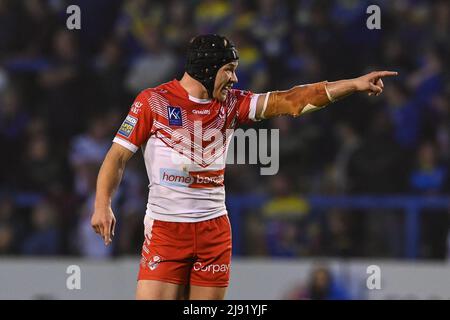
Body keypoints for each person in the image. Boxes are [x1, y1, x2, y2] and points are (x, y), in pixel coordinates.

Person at [91, 34, 397, 300]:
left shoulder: (232, 103)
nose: (235, 79)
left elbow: (292, 100)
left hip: (214, 232)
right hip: (166, 230)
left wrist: (353, 85)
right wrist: (102, 204)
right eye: (229, 71)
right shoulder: (152, 102)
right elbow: (116, 157)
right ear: (207, 70)